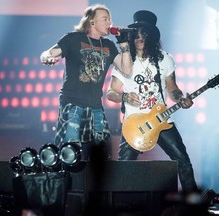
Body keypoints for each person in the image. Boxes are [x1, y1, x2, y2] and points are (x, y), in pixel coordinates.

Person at [106, 10, 198, 193]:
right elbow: (111, 93)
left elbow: (173, 89)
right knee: (124, 167)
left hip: (162, 120)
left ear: (152, 36)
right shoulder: (125, 61)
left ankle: (194, 204)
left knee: (183, 161)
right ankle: (119, 207)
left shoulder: (165, 59)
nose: (140, 37)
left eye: (144, 33)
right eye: (137, 33)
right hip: (135, 123)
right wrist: (124, 97)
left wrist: (181, 99)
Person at [40, 4, 132, 161]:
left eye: (110, 18)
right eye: (105, 18)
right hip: (73, 103)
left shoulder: (109, 45)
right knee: (71, 151)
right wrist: (47, 58)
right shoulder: (73, 38)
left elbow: (127, 70)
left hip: (95, 106)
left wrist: (124, 46)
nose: (109, 22)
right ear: (92, 22)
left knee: (102, 152)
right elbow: (48, 53)